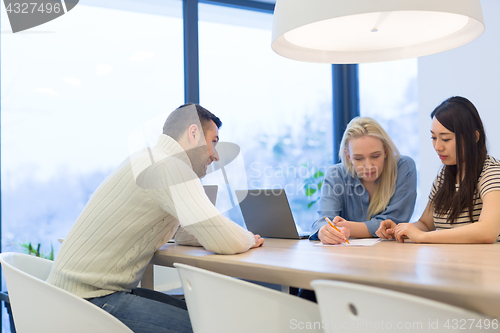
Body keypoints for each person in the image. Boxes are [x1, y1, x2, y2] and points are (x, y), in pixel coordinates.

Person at [47, 103, 264, 333]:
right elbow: (224, 240)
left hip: (71, 297)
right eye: (213, 141)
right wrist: (249, 238)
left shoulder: (148, 158)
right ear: (193, 134)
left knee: (203, 317)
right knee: (207, 326)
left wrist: (214, 232)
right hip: (88, 302)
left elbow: (183, 231)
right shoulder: (169, 166)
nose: (216, 155)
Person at [377, 96, 500, 243]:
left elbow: (487, 231)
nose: (437, 147)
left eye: (446, 139)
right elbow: (426, 224)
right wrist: (400, 230)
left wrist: (423, 237)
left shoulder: (491, 172)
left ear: (474, 137)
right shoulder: (444, 175)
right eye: (433, 138)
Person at [309, 116, 417, 244]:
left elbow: (394, 223)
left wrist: (349, 228)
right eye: (358, 158)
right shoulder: (336, 174)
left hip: (391, 256)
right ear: (348, 156)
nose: (368, 166)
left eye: (375, 156)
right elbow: (325, 219)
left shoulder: (403, 167)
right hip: (346, 257)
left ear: (386, 151)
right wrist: (324, 231)